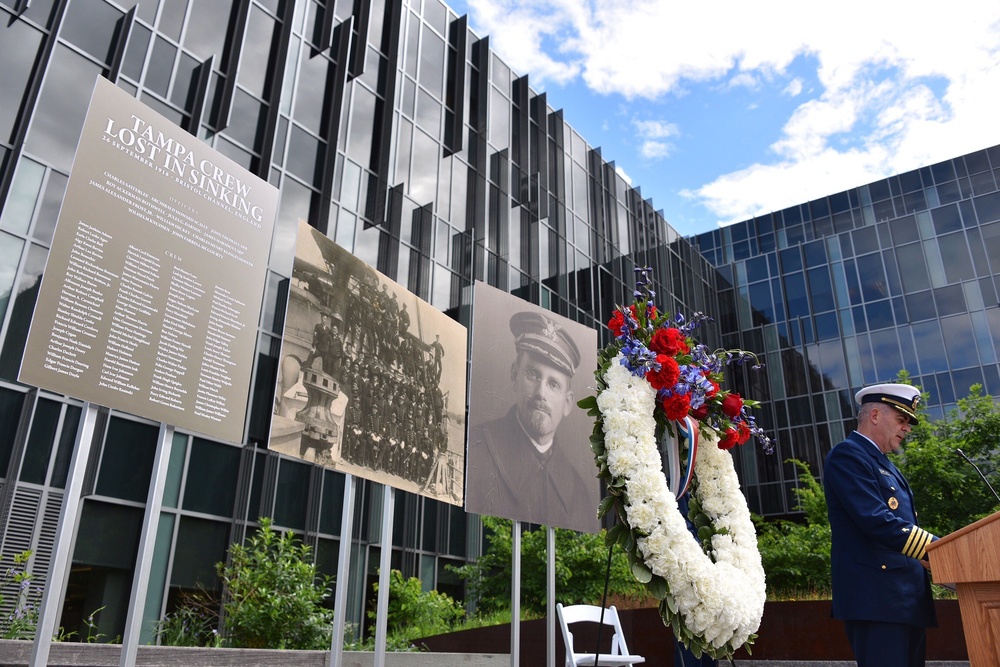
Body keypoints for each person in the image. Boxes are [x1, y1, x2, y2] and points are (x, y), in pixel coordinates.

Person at [823, 382, 938, 667]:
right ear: (875, 415)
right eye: (901, 420)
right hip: (877, 600)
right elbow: (875, 519)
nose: (907, 428)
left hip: (905, 601)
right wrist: (938, 548)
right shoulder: (848, 455)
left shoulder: (883, 463)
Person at [466, 311, 592, 530]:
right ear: (515, 375)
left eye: (554, 384)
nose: (541, 393)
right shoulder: (475, 450)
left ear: (568, 403)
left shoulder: (579, 494)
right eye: (533, 375)